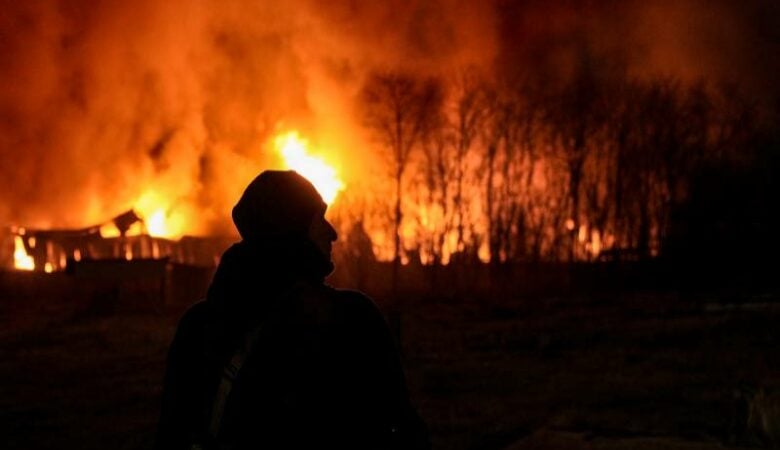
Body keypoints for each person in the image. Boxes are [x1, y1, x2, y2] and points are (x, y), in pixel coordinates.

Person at [156, 170, 429, 450]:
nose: (331, 232)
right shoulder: (351, 318)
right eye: (318, 218)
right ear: (292, 229)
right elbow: (401, 429)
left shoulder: (199, 327)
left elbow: (172, 436)